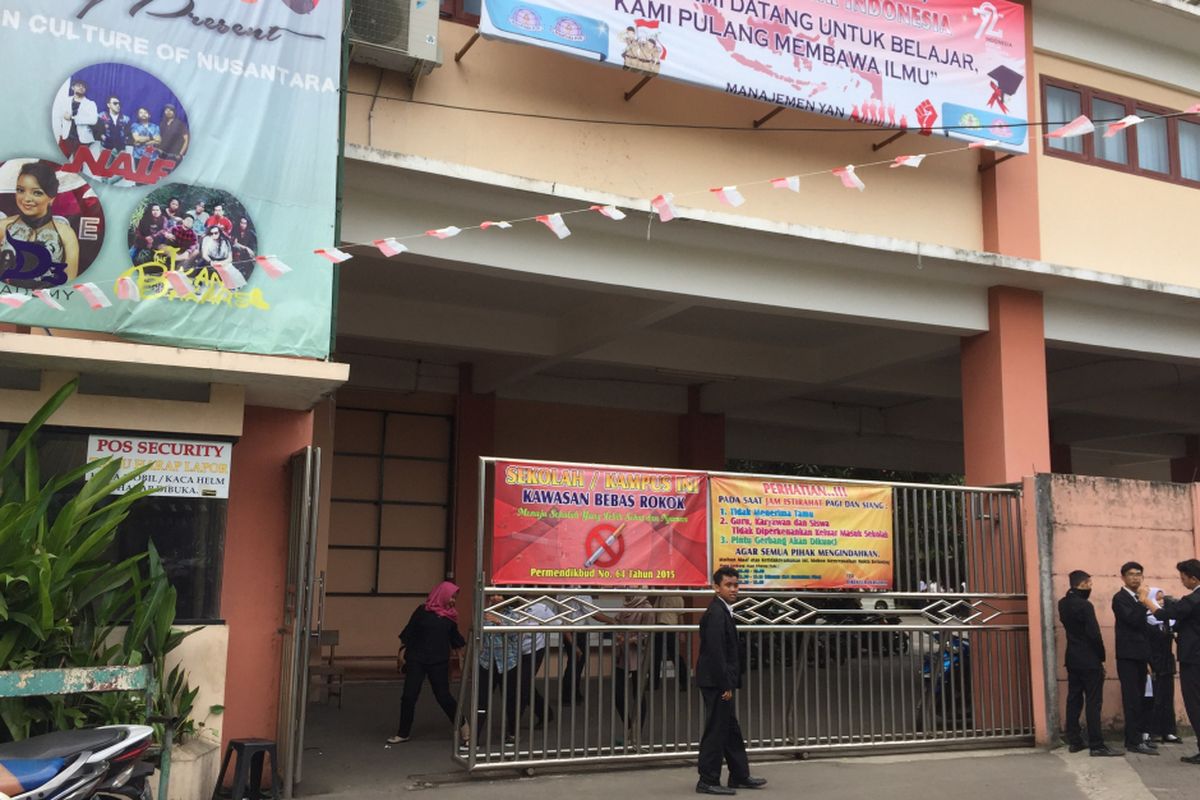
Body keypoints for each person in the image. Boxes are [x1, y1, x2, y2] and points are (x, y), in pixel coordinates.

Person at [696, 567, 766, 795]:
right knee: (716, 730)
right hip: (716, 682)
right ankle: (707, 780)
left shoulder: (723, 610)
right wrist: (726, 684)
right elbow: (716, 652)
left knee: (730, 729)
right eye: (728, 585)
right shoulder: (717, 613)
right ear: (716, 587)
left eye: (736, 584)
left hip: (719, 680)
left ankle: (739, 774)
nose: (734, 589)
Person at [389, 581, 468, 745]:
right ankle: (403, 733)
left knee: (443, 697)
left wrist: (461, 659)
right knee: (409, 696)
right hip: (416, 659)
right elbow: (409, 631)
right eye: (451, 596)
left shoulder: (451, 617)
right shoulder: (422, 611)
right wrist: (401, 652)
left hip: (438, 661)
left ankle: (464, 727)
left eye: (455, 597)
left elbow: (455, 639)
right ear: (442, 594)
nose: (453, 600)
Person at [1138, 559, 1200, 765]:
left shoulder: (1194, 599)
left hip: (1193, 659)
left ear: (1193, 578)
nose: (1182, 581)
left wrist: (1146, 600)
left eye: (1183, 578)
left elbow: (1165, 614)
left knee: (1194, 704)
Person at [1059, 570, 1120, 756]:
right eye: (1090, 584)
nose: (1091, 587)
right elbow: (1094, 634)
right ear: (1083, 584)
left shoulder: (1062, 603)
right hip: (1089, 659)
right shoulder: (1085, 605)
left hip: (1072, 658)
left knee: (1074, 699)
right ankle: (1097, 744)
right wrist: (1101, 656)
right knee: (1093, 702)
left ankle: (1074, 740)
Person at [0, 162, 79, 287]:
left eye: (37, 192)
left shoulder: (65, 233)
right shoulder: (3, 227)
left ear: (51, 197)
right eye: (20, 190)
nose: (26, 199)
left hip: (46, 304)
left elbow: (69, 281)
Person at [1112, 561, 1158, 755]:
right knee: (1131, 699)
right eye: (1131, 574)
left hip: (1140, 656)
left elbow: (1145, 630)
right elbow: (1132, 620)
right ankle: (1133, 741)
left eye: (1139, 574)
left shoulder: (1138, 599)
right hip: (1127, 656)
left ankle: (1139, 737)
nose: (1135, 577)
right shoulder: (1120, 598)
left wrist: (1149, 660)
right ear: (1123, 577)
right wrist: (1142, 601)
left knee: (1140, 698)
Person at [475, 595, 521, 741]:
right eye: (493, 595)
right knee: (481, 700)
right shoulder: (484, 613)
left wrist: (499, 622)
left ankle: (512, 733)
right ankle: (474, 737)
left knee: (510, 699)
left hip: (508, 662)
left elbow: (516, 634)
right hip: (486, 661)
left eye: (499, 595)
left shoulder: (513, 613)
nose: (495, 597)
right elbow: (477, 634)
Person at [1142, 586, 1182, 745]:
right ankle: (1151, 731)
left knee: (1167, 697)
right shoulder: (1145, 620)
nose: (1160, 603)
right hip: (1153, 662)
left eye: (1162, 599)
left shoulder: (1167, 621)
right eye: (1156, 599)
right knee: (1152, 699)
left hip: (1166, 663)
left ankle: (1168, 730)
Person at [613, 594, 652, 746]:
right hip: (622, 655)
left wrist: (629, 638)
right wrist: (619, 636)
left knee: (639, 694)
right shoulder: (625, 606)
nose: (627, 590)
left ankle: (636, 733)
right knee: (618, 695)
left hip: (639, 656)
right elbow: (616, 623)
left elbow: (648, 632)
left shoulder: (646, 608)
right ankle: (630, 728)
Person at [652, 594, 690, 690]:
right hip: (659, 627)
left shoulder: (677, 597)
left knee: (675, 656)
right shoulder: (661, 596)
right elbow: (655, 611)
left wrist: (682, 632)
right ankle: (654, 683)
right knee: (655, 657)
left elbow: (680, 616)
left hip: (671, 628)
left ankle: (685, 682)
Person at [52, 79, 99, 154]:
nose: (81, 87)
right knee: (59, 161)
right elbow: (59, 116)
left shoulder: (90, 104)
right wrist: (60, 132)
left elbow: (93, 120)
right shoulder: (65, 101)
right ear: (72, 87)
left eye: (83, 86)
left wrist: (72, 118)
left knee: (78, 164)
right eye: (78, 85)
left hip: (83, 139)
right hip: (66, 137)